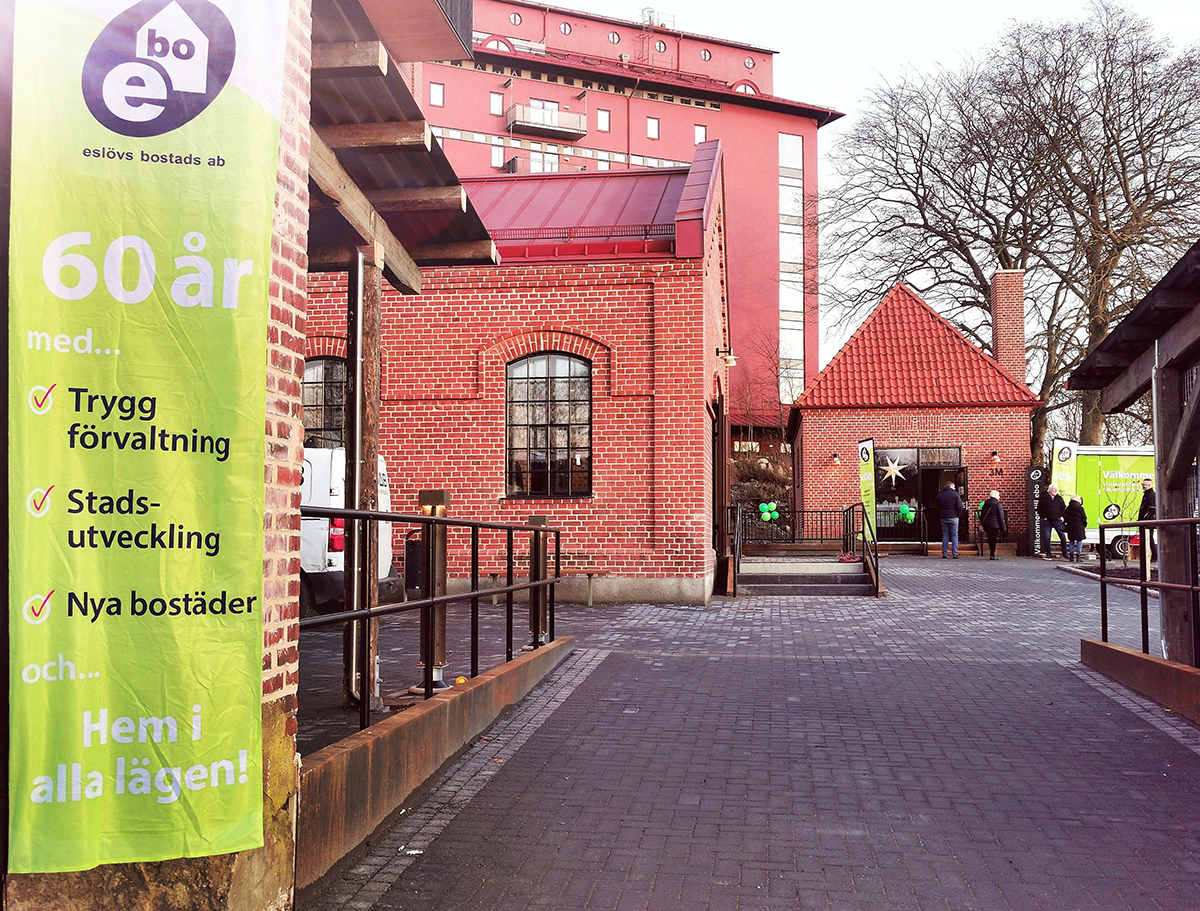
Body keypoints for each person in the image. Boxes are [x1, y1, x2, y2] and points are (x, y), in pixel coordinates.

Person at [935, 481, 965, 559]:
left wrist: (940, 515)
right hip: (954, 517)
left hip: (943, 517)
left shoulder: (940, 495)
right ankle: (955, 553)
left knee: (945, 535)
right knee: (954, 535)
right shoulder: (955, 495)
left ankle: (944, 553)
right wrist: (959, 515)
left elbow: (936, 507)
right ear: (951, 487)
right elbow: (959, 506)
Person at [1038, 483, 1068, 559]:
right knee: (1047, 537)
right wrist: (1042, 516)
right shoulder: (1044, 497)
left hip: (1057, 520)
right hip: (1046, 520)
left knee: (1062, 536)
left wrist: (1062, 516)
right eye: (1053, 489)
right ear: (1049, 489)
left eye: (1056, 489)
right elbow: (1039, 508)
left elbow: (1063, 508)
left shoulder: (1059, 498)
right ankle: (1048, 553)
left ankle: (1065, 553)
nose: (1055, 490)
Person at [979, 490, 1007, 560]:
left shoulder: (986, 503)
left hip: (987, 524)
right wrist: (1003, 527)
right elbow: (1001, 516)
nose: (999, 497)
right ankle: (992, 554)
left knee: (990, 538)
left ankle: (992, 554)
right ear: (996, 496)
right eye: (998, 495)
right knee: (993, 539)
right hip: (995, 525)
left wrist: (982, 523)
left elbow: (982, 514)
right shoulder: (998, 504)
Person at [1139, 478, 1158, 562]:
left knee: (1148, 538)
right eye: (1143, 485)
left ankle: (1154, 555)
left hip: (1147, 520)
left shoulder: (1150, 495)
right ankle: (1152, 555)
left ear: (1149, 485)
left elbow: (1151, 508)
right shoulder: (1148, 494)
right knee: (1148, 538)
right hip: (1146, 520)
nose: (1143, 486)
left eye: (1144, 485)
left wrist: (1146, 519)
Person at [1064, 494, 1088, 562]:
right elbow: (1084, 518)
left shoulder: (1068, 508)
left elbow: (1065, 516)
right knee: (1079, 541)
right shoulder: (1080, 508)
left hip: (1070, 527)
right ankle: (1078, 556)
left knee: (1071, 541)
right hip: (1079, 527)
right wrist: (1084, 524)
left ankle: (1071, 556)